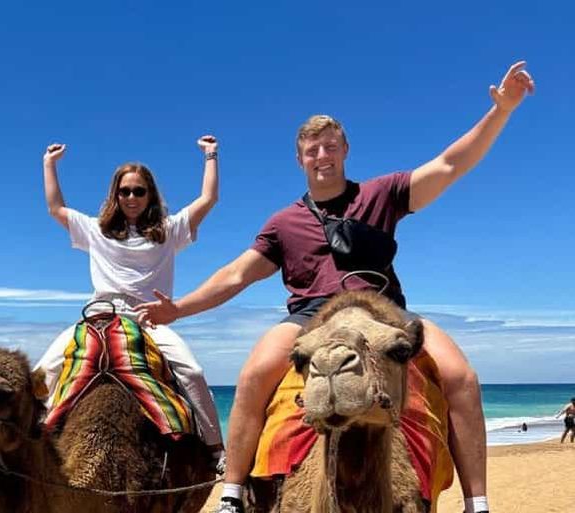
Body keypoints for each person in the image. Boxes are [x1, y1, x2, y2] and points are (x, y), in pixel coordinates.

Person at [136, 61, 535, 513]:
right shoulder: (285, 222)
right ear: (300, 159)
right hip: (311, 316)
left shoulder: (382, 194)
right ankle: (232, 493)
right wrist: (179, 309)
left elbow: (447, 165)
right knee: (252, 375)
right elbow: (237, 274)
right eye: (312, 150)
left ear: (344, 149)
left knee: (461, 376)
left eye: (329, 147)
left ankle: (476, 501)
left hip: (385, 313)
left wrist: (500, 112)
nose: (321, 156)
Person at [35, 135, 224, 462]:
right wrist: (49, 164)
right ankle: (29, 446)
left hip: (149, 320)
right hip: (99, 318)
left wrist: (211, 156)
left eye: (139, 190)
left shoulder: (168, 230)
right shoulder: (96, 230)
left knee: (191, 371)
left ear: (150, 194)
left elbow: (208, 198)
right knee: (41, 374)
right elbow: (55, 208)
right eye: (125, 191)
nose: (132, 197)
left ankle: (215, 450)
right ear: (115, 194)